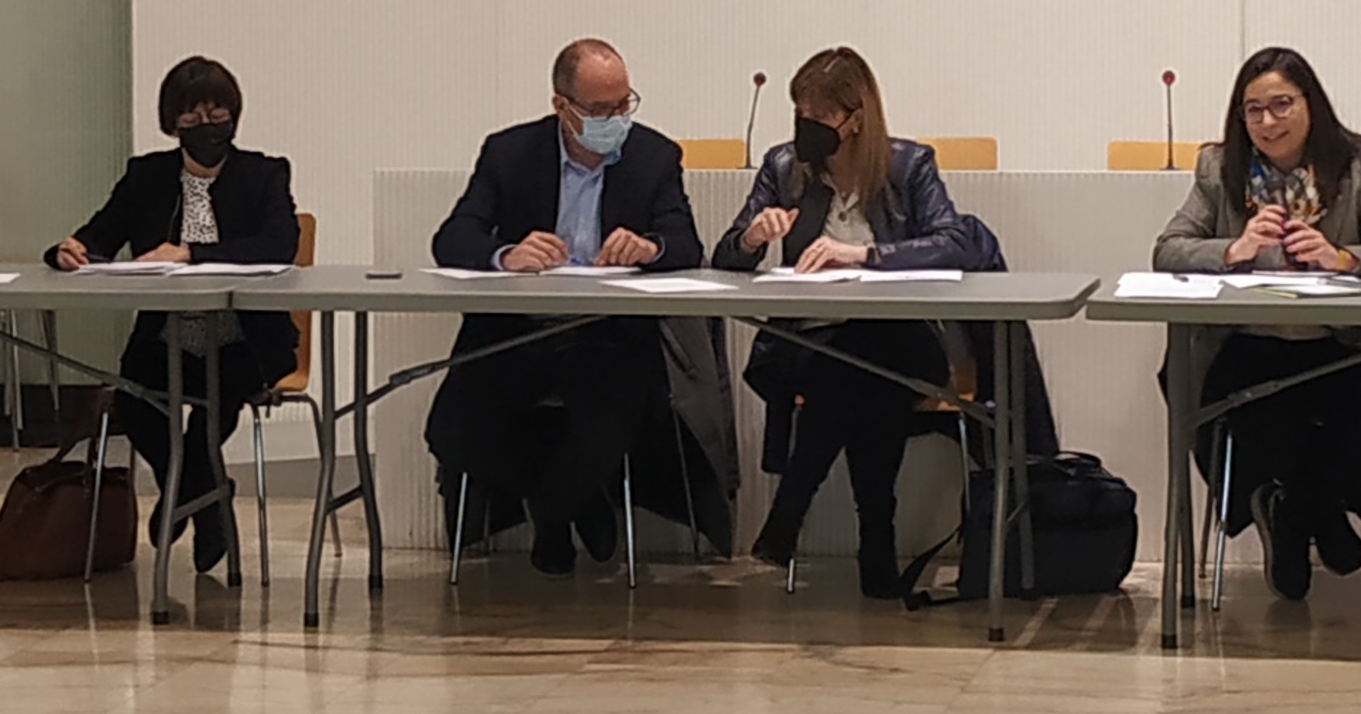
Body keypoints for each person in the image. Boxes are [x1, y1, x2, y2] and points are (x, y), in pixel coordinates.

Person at [1154, 46, 1361, 601]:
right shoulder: (1218, 168)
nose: (1267, 122)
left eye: (1281, 104)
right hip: (1247, 346)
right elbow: (1168, 249)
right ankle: (1317, 512)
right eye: (1253, 110)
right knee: (1243, 405)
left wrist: (1343, 257)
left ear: (1311, 104)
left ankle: (1294, 512)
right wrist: (1233, 248)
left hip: (1341, 343)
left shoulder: (1354, 163)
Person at [713, 46, 1020, 599]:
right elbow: (726, 255)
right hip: (809, 340)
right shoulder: (783, 167)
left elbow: (954, 241)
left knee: (861, 360)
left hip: (903, 337)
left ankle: (790, 514)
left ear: (855, 119)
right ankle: (876, 538)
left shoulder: (909, 165)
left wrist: (865, 255)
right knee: (859, 374)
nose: (806, 127)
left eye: (819, 116)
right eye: (800, 114)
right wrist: (753, 237)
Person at [426, 39, 735, 576]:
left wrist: (649, 248)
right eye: (599, 109)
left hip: (606, 335)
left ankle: (551, 514)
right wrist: (505, 254)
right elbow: (452, 238)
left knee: (608, 421)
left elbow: (686, 244)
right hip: (517, 333)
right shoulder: (509, 153)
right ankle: (574, 499)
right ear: (561, 106)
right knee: (449, 430)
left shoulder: (653, 156)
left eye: (624, 104)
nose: (615, 119)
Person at [45, 56, 299, 574]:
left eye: (218, 113)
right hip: (165, 337)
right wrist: (66, 250)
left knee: (214, 405)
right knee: (134, 402)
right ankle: (204, 498)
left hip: (245, 339)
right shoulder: (147, 176)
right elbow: (99, 234)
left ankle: (189, 492)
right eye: (192, 116)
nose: (207, 125)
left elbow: (279, 245)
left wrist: (190, 254)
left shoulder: (264, 173)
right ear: (172, 122)